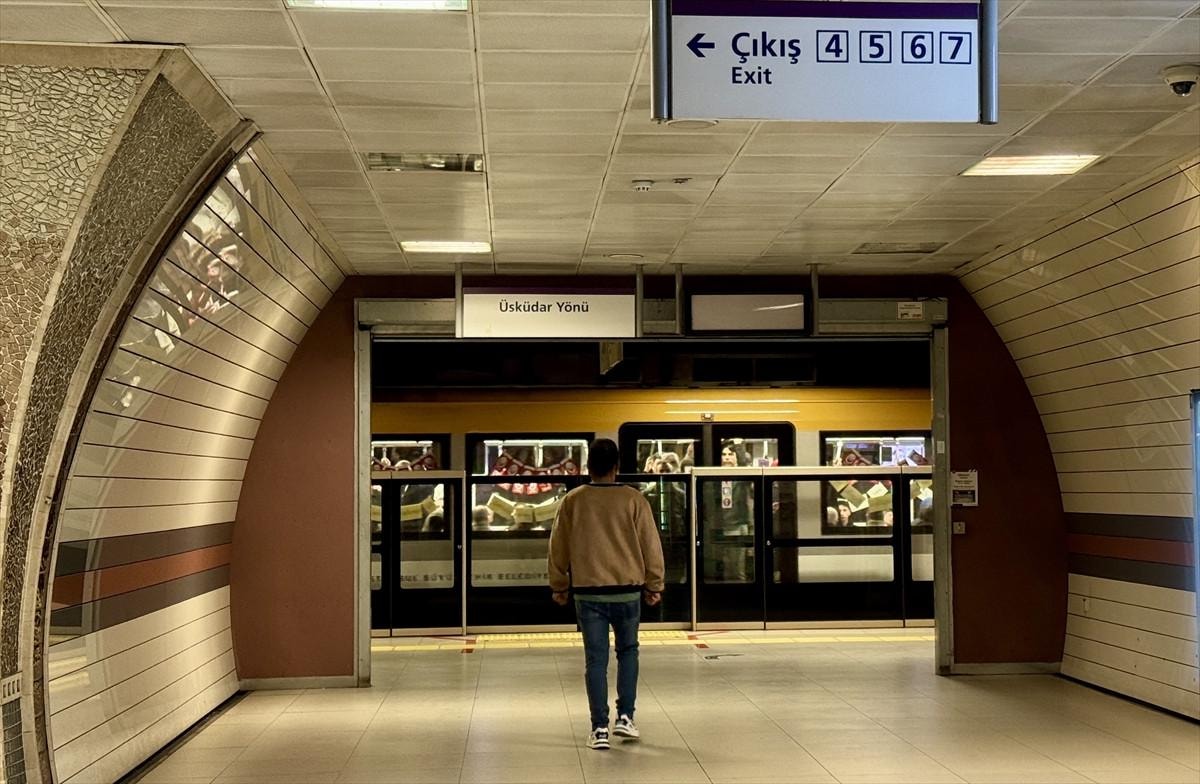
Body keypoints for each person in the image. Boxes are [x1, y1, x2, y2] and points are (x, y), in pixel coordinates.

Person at [548, 438, 665, 751]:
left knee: (596, 660)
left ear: (589, 466)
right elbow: (651, 545)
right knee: (628, 652)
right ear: (617, 466)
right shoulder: (634, 500)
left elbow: (558, 547)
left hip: (589, 595)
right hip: (627, 593)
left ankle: (599, 728)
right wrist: (654, 585)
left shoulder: (572, 501)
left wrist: (559, 585)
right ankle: (625, 716)